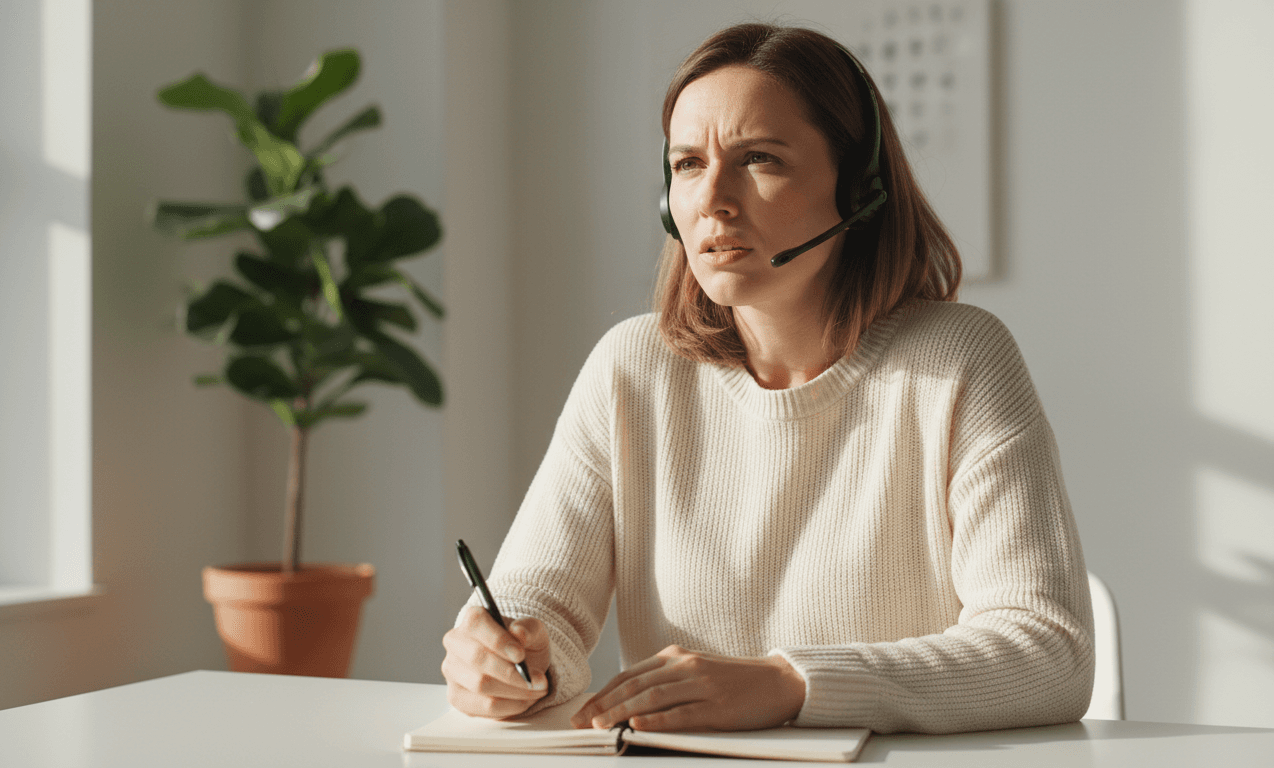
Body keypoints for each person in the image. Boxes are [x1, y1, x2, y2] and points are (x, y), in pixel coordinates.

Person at [440, 22, 1093, 735]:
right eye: (688, 164)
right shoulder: (631, 368)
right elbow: (541, 608)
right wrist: (503, 658)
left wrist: (791, 685)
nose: (713, 199)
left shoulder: (959, 360)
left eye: (758, 159)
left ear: (858, 187)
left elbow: (1048, 651)